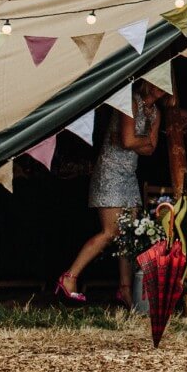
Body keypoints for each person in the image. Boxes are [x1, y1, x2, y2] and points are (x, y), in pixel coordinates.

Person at [54, 82, 162, 306]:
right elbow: (129, 140)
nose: (161, 89)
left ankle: (124, 288)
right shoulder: (130, 102)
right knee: (110, 231)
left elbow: (151, 149)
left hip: (129, 174)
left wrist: (137, 142)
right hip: (110, 171)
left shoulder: (156, 113)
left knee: (128, 235)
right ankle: (69, 277)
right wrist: (140, 141)